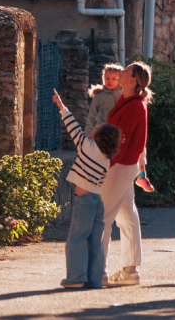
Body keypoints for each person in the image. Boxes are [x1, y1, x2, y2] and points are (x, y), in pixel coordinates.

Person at [53, 88, 122, 289]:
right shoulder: (106, 160)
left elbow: (72, 126)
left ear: (98, 138)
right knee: (95, 244)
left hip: (84, 203)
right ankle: (94, 280)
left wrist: (61, 106)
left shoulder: (87, 146)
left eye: (97, 128)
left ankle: (75, 278)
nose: (93, 127)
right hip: (97, 202)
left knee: (76, 239)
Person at [101, 61, 152, 286]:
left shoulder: (133, 105)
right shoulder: (128, 101)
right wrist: (140, 171)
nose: (120, 73)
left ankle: (98, 271)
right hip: (125, 165)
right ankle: (130, 270)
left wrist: (107, 164)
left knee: (103, 217)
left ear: (133, 80)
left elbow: (123, 139)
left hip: (119, 165)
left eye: (125, 71)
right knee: (126, 216)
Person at [84, 63, 122, 135]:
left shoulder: (123, 95)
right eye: (107, 78)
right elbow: (91, 117)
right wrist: (87, 135)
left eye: (114, 79)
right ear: (103, 78)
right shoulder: (99, 95)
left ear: (120, 80)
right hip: (99, 133)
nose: (110, 81)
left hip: (116, 134)